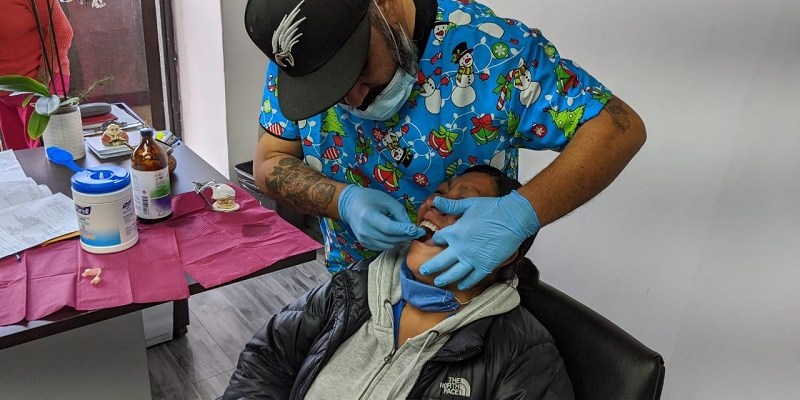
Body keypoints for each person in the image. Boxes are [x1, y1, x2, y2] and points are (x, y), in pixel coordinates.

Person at [244, 0, 646, 289]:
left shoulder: (495, 54)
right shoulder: (303, 60)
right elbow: (269, 161)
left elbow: (618, 128)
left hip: (462, 293)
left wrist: (521, 213)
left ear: (383, 5)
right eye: (328, 89)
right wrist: (341, 201)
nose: (352, 99)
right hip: (354, 288)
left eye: (358, 68)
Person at [222, 165, 574, 399]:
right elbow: (267, 359)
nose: (435, 204)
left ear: (504, 248)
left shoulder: (522, 354)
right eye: (439, 193)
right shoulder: (352, 288)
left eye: (462, 204)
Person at [0, 0, 73, 150]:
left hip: (39, 81)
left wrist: (40, 83)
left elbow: (62, 31)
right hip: (3, 92)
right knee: (18, 158)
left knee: (51, 153)